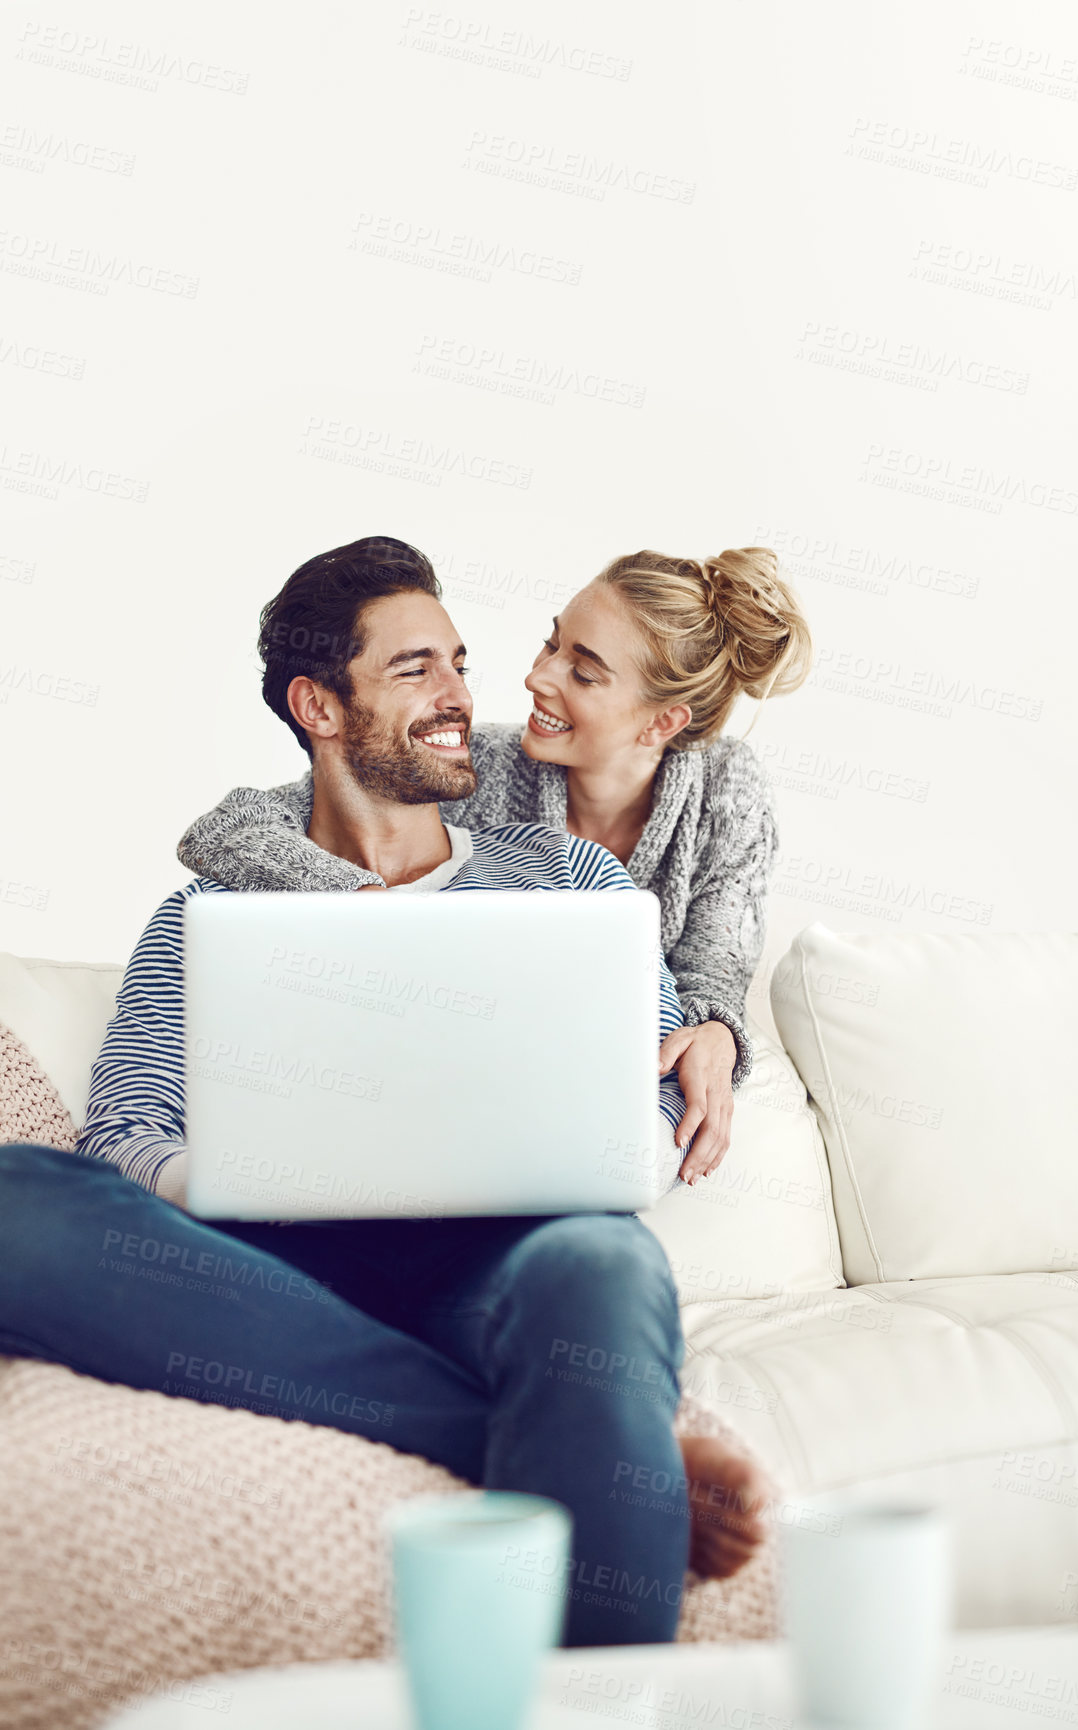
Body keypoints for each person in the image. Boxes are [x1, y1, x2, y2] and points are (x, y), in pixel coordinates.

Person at [0, 536, 773, 1650]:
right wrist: (226, 1178)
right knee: (17, 1197)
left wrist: (661, 1097)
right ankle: (598, 1453)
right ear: (318, 703)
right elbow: (123, 1128)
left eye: (458, 659)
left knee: (599, 1257)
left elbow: (649, 1097)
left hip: (497, 1263)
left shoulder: (571, 878)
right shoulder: (207, 913)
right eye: (416, 668)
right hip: (269, 1268)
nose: (464, 694)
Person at [178, 539, 812, 1183]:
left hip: (611, 1071)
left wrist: (714, 1028)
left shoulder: (727, 790)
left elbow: (713, 963)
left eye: (584, 672)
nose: (537, 677)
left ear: (661, 723)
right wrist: (364, 901)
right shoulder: (478, 762)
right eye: (552, 644)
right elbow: (231, 828)